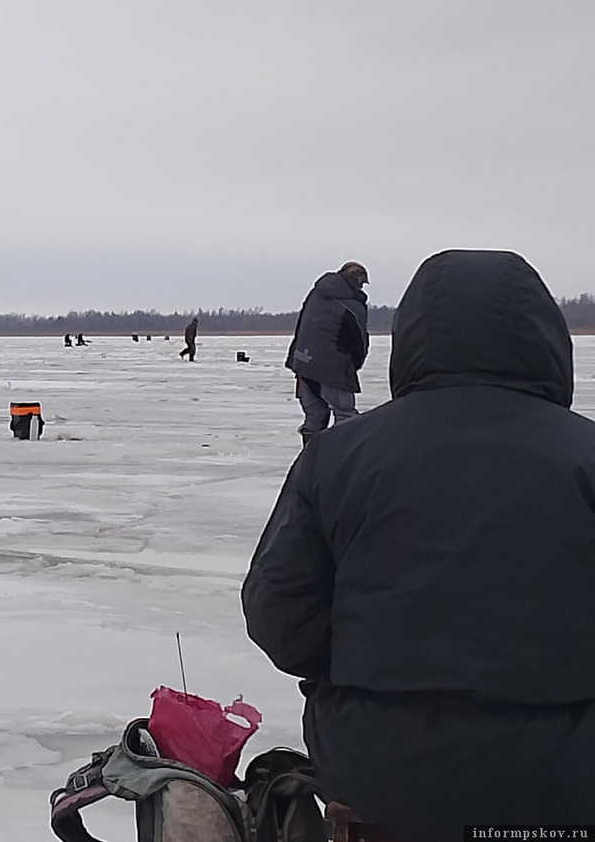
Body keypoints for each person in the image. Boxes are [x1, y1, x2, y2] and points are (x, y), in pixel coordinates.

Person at [242, 250, 595, 840]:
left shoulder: (334, 458)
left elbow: (279, 616)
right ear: (549, 340)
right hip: (568, 773)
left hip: (378, 766)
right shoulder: (586, 457)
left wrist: (362, 678)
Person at [285, 262, 369, 445]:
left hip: (302, 362)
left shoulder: (316, 295)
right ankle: (343, 461)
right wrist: (354, 365)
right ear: (358, 281)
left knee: (314, 416)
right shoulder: (352, 306)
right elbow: (359, 342)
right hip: (332, 367)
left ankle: (310, 460)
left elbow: (302, 326)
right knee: (346, 415)